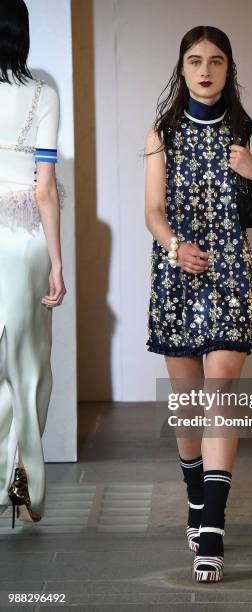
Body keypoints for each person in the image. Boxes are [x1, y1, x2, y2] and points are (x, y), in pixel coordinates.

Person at [145, 25, 252, 582]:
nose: (206, 71)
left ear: (230, 70)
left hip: (230, 276)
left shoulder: (251, 134)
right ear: (182, 69)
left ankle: (213, 528)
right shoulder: (163, 133)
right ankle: (194, 494)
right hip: (177, 274)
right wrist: (175, 248)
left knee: (219, 391)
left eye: (217, 62)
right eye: (195, 60)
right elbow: (152, 211)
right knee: (186, 401)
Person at [0, 0, 66, 527]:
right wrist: (59, 263)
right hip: (25, 242)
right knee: (30, 367)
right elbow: (44, 189)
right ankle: (24, 478)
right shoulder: (43, 92)